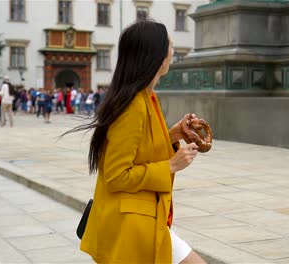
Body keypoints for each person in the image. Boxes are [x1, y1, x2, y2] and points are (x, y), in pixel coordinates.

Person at [66, 21, 206, 263]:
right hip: (132, 222)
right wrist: (171, 166)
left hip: (142, 216)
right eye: (169, 45)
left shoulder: (145, 97)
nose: (172, 51)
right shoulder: (133, 105)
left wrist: (172, 136)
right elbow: (117, 174)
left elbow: (142, 149)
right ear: (158, 56)